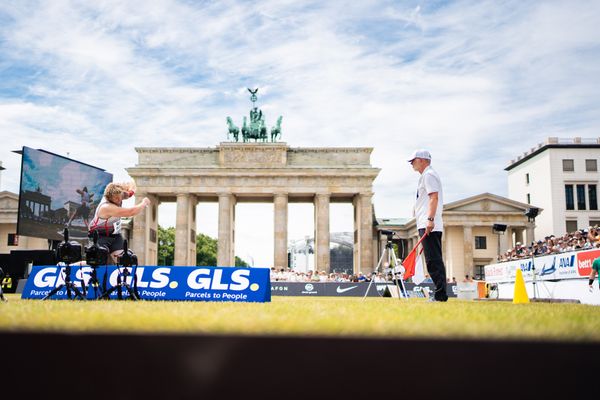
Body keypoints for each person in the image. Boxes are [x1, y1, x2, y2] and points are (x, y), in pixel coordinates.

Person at [409, 149, 448, 302]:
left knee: (433, 260)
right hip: (425, 222)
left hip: (430, 223)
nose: (411, 163)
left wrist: (430, 219)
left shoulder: (429, 175)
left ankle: (440, 295)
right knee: (431, 259)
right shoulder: (426, 176)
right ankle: (440, 294)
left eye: (414, 160)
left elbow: (434, 197)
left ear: (423, 160)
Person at [88, 182, 150, 264]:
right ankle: (72, 266)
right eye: (115, 199)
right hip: (99, 236)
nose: (118, 200)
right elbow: (130, 212)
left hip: (115, 235)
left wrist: (131, 188)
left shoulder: (119, 195)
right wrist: (144, 203)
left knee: (126, 261)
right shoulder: (106, 207)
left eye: (119, 197)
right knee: (99, 263)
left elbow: (130, 191)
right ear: (109, 198)